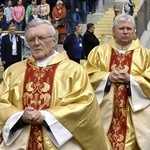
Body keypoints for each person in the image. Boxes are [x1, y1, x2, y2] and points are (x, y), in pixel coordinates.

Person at [0, 18, 111, 150]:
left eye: (41, 38)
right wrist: (20, 116)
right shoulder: (13, 71)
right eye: (31, 39)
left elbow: (85, 105)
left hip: (60, 144)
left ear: (54, 41)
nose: (36, 43)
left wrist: (46, 116)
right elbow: (2, 103)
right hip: (21, 142)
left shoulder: (74, 71)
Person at [83, 13, 150, 150]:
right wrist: (107, 77)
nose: (125, 32)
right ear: (113, 31)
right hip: (103, 116)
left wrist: (130, 80)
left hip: (134, 119)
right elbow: (86, 77)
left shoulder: (146, 55)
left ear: (134, 31)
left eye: (129, 29)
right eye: (121, 28)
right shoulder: (98, 52)